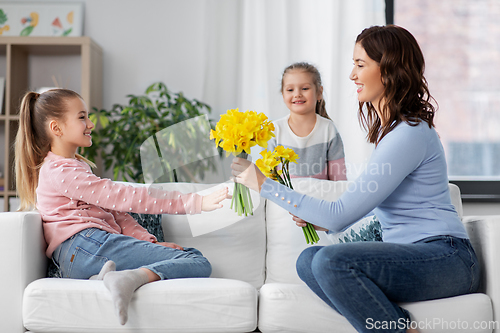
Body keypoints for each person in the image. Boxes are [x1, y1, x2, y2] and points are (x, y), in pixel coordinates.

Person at [231, 25, 479, 333]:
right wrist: (318, 218)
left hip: (445, 258)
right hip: (418, 256)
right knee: (309, 260)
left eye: (360, 65)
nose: (352, 75)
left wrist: (264, 184)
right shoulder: (394, 135)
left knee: (328, 262)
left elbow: (340, 216)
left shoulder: (409, 134)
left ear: (389, 69)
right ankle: (395, 324)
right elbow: (374, 205)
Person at [15, 88, 230, 325]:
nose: (91, 123)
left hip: (84, 253)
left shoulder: (72, 168)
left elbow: (116, 212)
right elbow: (123, 197)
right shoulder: (60, 172)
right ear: (56, 128)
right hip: (85, 246)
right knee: (196, 261)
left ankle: (108, 277)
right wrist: (192, 202)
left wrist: (152, 245)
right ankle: (130, 277)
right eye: (82, 117)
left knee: (186, 257)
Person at [267, 62, 347, 180]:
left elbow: (339, 180)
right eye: (290, 90)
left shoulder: (328, 129)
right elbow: (267, 176)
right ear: (283, 94)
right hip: (284, 198)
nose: (297, 94)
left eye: (304, 88)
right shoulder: (275, 130)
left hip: (320, 197)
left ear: (319, 92)